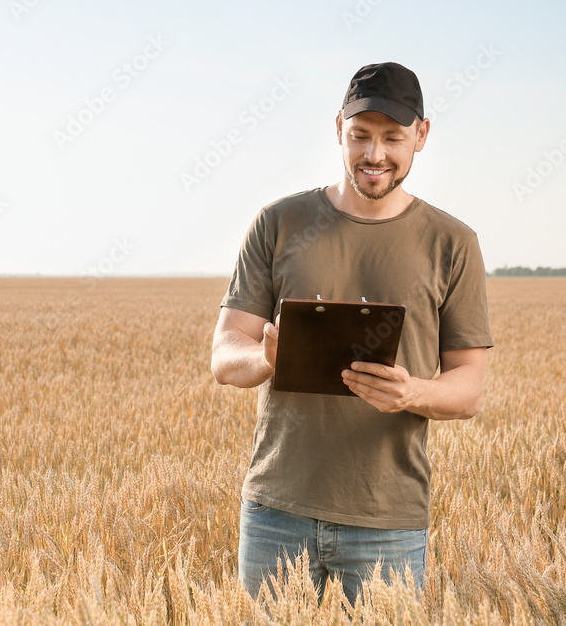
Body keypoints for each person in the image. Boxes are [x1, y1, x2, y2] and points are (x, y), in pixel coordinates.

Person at [210, 61, 494, 606]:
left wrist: (410, 393)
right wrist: (270, 357)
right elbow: (225, 355)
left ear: (422, 136)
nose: (374, 154)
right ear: (337, 126)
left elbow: (469, 388)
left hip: (388, 523)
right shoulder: (278, 223)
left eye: (393, 138)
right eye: (360, 135)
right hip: (276, 512)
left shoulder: (453, 242)